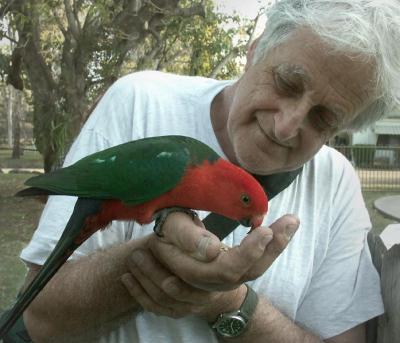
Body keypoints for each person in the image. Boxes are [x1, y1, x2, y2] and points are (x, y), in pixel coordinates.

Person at [19, 0, 400, 342]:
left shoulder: (337, 184)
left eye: (323, 119)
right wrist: (156, 261)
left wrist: (229, 301)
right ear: (254, 53)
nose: (286, 126)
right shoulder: (140, 103)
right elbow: (39, 322)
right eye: (287, 82)